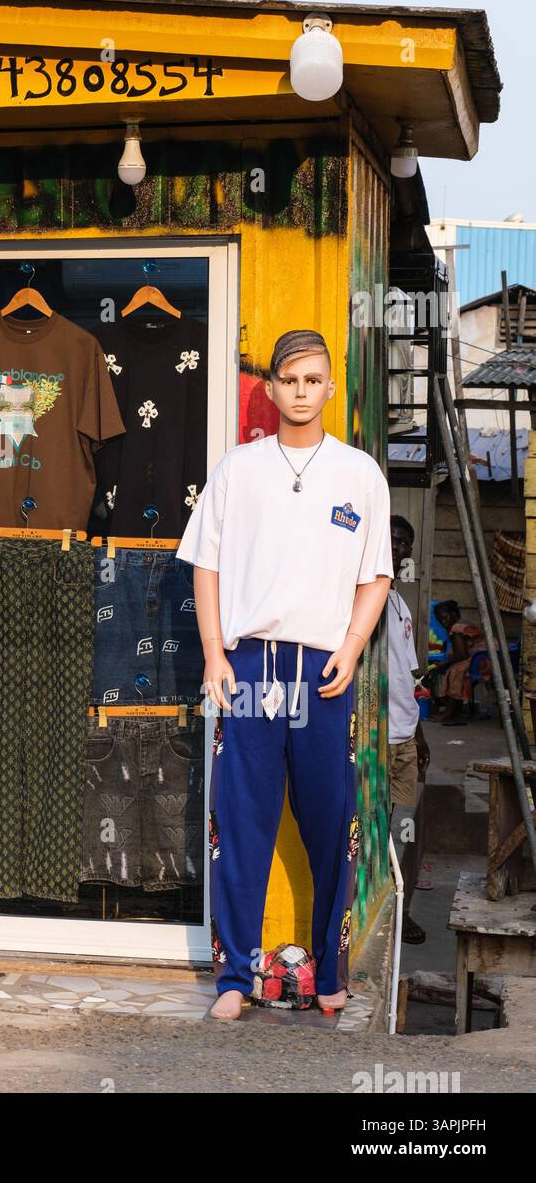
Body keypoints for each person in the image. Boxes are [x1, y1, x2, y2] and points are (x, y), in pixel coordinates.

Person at [178, 329, 393, 1022]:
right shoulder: (238, 470)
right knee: (240, 826)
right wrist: (214, 653)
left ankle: (330, 973)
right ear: (269, 389)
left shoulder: (360, 475)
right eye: (288, 380)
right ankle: (235, 978)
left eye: (312, 380)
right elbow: (205, 564)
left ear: (331, 387)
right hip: (249, 667)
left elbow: (377, 573)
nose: (300, 392)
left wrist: (355, 645)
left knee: (332, 825)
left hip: (323, 669)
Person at [386, 516, 429, 944]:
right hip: (379, 737)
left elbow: (408, 678)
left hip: (404, 734)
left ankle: (399, 908)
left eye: (405, 543)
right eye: (393, 539)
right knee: (376, 826)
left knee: (403, 829)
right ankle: (384, 909)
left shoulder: (400, 604)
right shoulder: (369, 597)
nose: (399, 548)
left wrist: (419, 733)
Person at [429, 600, 483, 726]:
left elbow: (462, 655)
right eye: (440, 620)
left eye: (445, 618)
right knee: (453, 669)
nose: (444, 622)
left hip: (480, 659)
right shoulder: (463, 623)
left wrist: (444, 664)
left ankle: (450, 712)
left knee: (455, 671)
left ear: (454, 613)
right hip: (482, 657)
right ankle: (454, 710)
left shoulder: (457, 628)